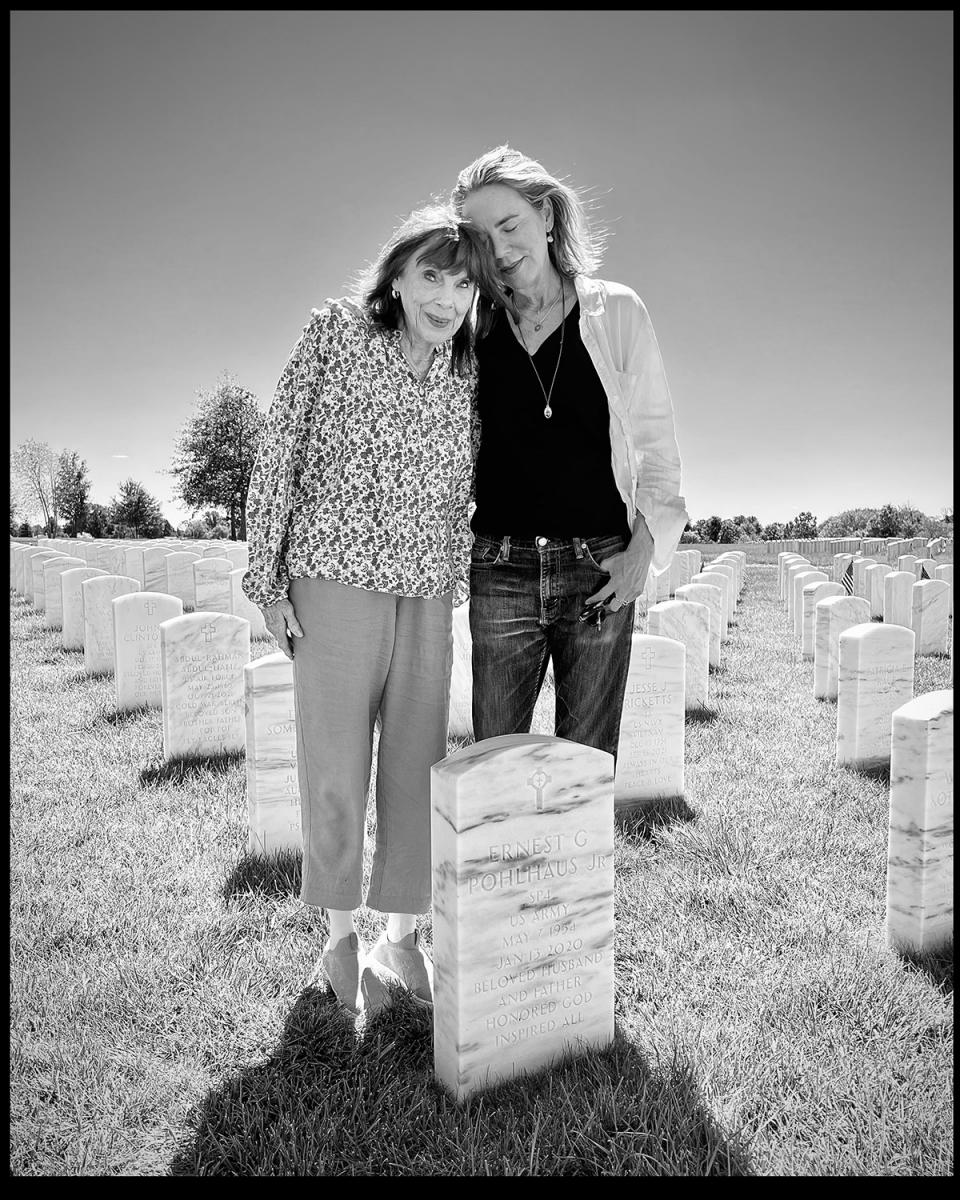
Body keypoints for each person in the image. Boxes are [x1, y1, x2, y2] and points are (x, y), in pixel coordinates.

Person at [242, 204, 499, 1016]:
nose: (447, 298)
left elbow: (472, 487)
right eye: (432, 275)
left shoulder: (467, 373)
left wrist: (457, 572)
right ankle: (339, 935)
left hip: (425, 591)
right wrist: (267, 581)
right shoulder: (336, 334)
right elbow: (278, 449)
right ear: (396, 273)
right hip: (333, 577)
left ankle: (402, 935)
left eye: (462, 284)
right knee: (337, 765)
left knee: (417, 768)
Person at [450, 145, 689, 762]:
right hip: (500, 569)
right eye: (482, 236)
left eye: (511, 226)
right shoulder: (470, 330)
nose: (500, 249)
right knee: (495, 767)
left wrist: (645, 551)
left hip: (600, 568)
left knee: (587, 768)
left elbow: (657, 445)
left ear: (548, 217)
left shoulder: (617, 313)